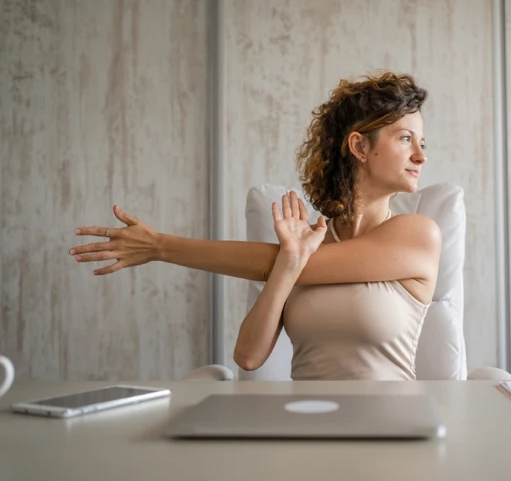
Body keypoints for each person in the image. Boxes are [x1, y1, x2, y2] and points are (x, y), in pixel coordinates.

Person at [69, 72, 441, 381]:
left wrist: (159, 246)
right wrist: (288, 263)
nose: (421, 155)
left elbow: (288, 262)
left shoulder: (417, 235)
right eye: (406, 139)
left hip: (392, 431)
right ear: (359, 147)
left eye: (421, 142)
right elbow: (248, 358)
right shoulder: (304, 245)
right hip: (306, 431)